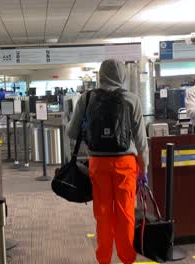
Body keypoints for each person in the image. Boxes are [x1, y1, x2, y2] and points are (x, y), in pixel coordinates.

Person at [67, 59, 149, 264]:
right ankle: (126, 258)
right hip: (125, 163)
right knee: (126, 211)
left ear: (100, 75)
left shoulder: (86, 98)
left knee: (103, 213)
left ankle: (103, 259)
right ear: (122, 75)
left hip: (98, 163)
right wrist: (143, 166)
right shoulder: (131, 98)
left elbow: (71, 132)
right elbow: (141, 139)